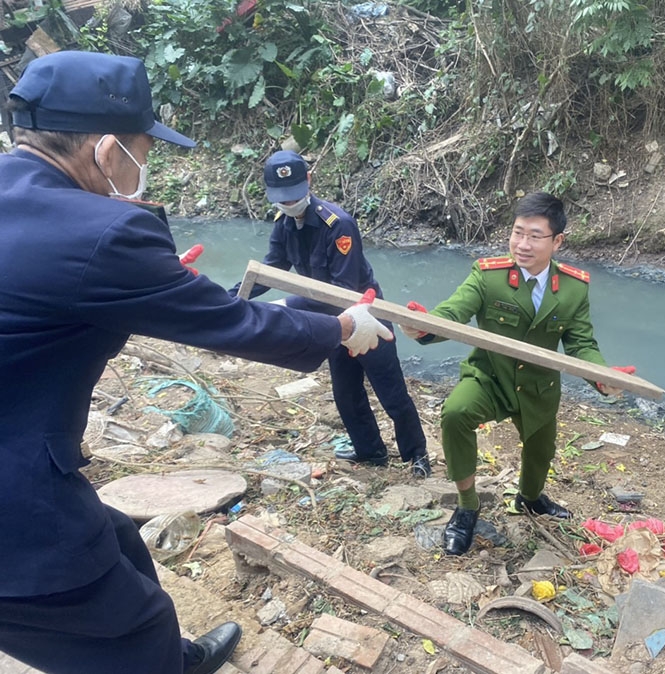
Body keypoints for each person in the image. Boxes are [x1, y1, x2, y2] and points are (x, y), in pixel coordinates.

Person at [0, 51, 391, 674]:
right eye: (142, 151)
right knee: (134, 633)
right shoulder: (104, 232)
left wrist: (149, 293)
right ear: (107, 152)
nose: (143, 167)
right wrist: (341, 327)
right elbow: (236, 323)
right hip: (15, 501)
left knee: (124, 540)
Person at [400, 192, 635, 556]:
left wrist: (601, 375)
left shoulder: (573, 288)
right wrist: (424, 325)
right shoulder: (489, 276)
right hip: (489, 377)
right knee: (455, 414)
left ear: (557, 241)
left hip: (539, 386)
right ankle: (466, 507)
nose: (522, 245)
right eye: (517, 233)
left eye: (534, 235)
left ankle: (529, 499)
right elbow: (454, 311)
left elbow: (580, 343)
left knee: (541, 452)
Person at [230, 150, 431, 477]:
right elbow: (272, 269)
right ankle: (370, 451)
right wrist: (233, 297)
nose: (288, 203)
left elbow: (343, 290)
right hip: (333, 324)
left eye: (293, 195)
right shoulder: (283, 225)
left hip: (367, 317)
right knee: (346, 393)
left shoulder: (338, 225)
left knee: (391, 392)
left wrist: (285, 307)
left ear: (308, 181)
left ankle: (416, 455)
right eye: (282, 198)